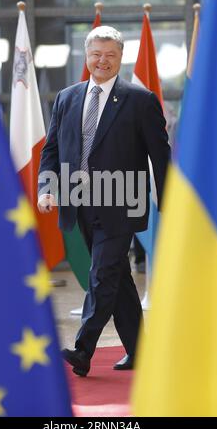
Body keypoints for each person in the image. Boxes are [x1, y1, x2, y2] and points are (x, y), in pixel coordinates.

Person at [37, 26, 170, 377]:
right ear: (86, 56)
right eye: (96, 53)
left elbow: (161, 154)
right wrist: (46, 188)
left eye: (110, 55)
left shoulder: (140, 101)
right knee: (116, 276)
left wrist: (169, 202)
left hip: (121, 202)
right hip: (78, 202)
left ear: (120, 58)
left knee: (101, 274)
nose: (102, 61)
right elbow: (51, 150)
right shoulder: (67, 97)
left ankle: (83, 350)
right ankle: (141, 351)